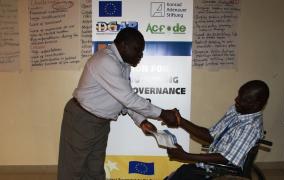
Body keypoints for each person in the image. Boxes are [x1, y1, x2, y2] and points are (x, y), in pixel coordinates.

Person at [57, 27, 180, 180]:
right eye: (137, 50)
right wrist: (162, 114)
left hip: (100, 123)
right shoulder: (105, 61)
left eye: (141, 51)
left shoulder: (124, 65)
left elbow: (125, 99)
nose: (140, 55)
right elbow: (128, 98)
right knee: (72, 171)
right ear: (123, 45)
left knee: (95, 171)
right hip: (82, 120)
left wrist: (141, 121)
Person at [165, 80, 270, 180]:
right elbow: (212, 136)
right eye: (239, 95)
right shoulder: (236, 111)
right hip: (211, 167)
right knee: (181, 173)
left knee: (183, 173)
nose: (236, 100)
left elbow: (225, 158)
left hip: (222, 172)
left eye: (243, 99)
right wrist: (180, 121)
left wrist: (185, 156)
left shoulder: (251, 127)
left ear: (255, 105)